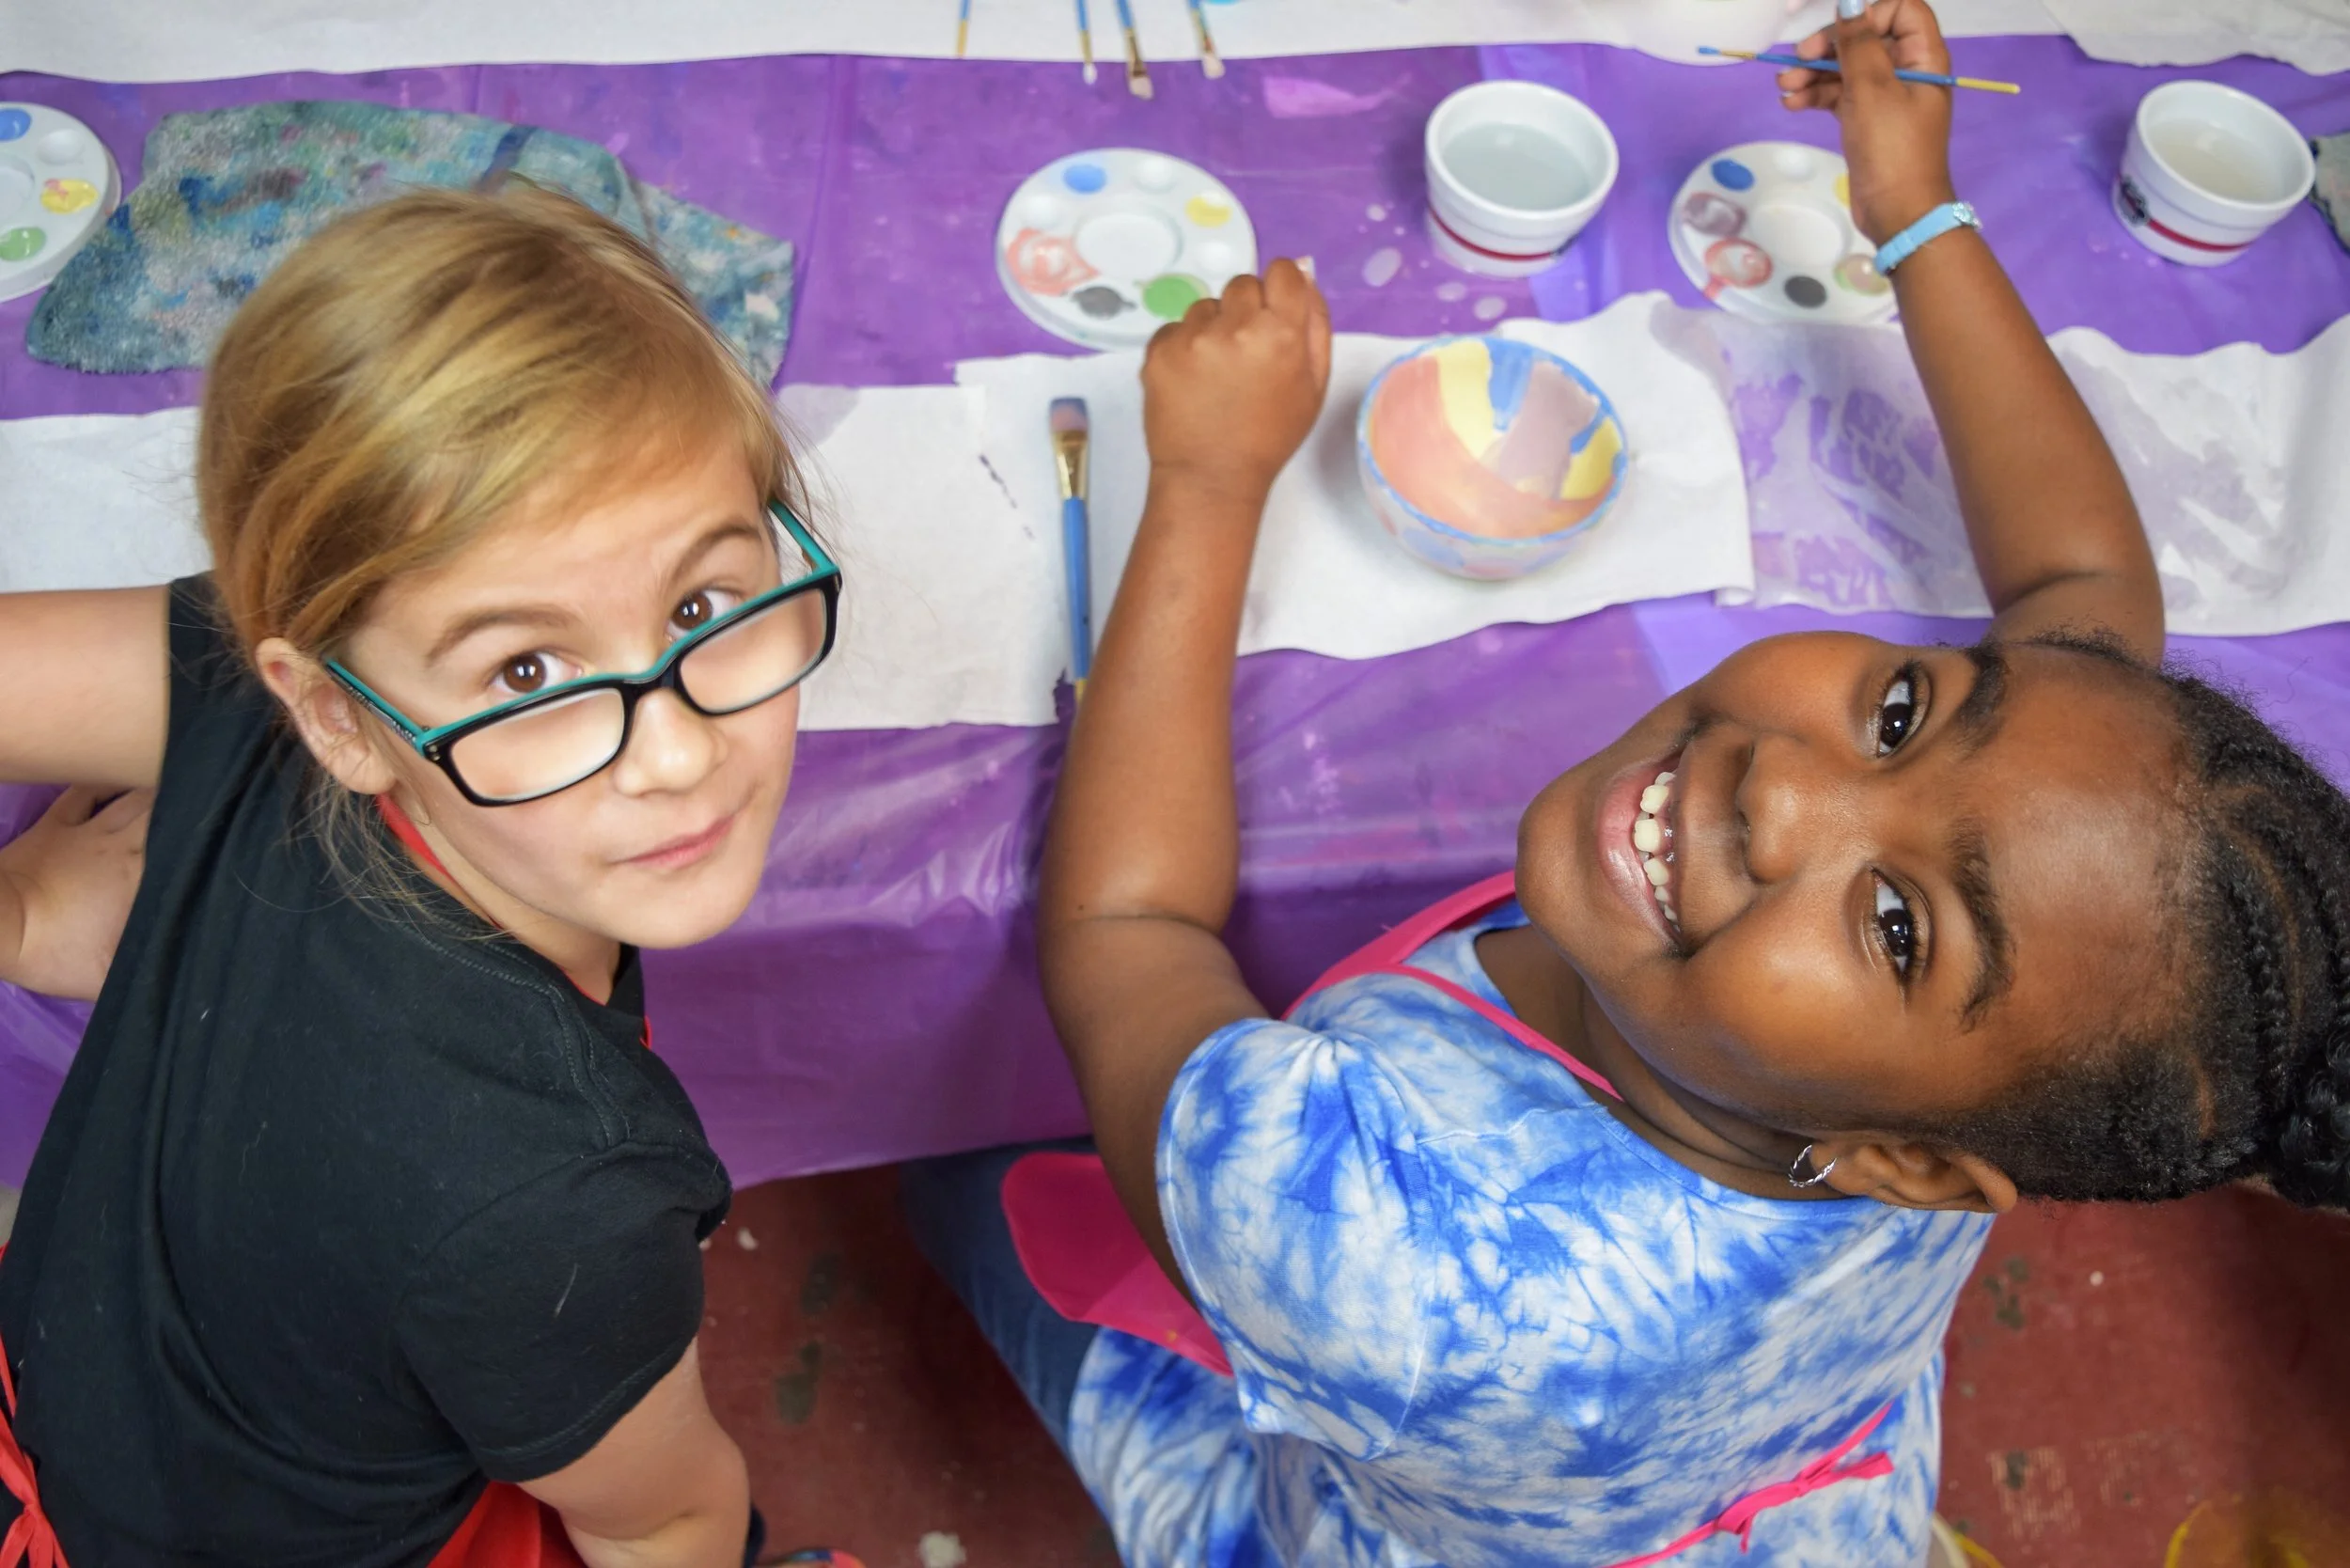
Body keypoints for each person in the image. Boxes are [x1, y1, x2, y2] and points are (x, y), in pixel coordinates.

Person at [905, 2, 2350, 1564]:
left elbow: (1129, 928)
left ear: (1920, 1173)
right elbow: (2083, 585)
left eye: (1900, 927)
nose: (1781, 795)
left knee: (942, 1147)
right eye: (1903, 711)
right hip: (1796, 1473)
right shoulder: (2003, 1060)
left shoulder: (1389, 1263)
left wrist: (1201, 482)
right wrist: (1908, 205)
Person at [0, 186, 847, 1567]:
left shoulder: (323, 657)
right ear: (330, 714)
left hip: (79, 1405)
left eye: (700, 605)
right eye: (528, 670)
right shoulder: (561, 1204)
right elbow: (667, 1520)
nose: (679, 754)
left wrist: (26, 913)